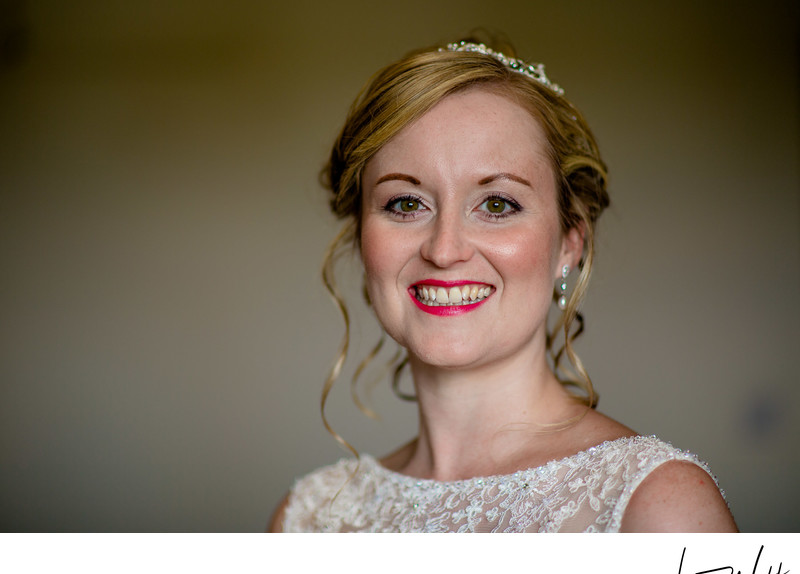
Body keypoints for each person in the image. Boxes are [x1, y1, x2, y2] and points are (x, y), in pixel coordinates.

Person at [269, 38, 738, 533]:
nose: (444, 250)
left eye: (497, 205)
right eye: (406, 204)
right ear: (362, 240)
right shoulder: (308, 518)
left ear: (569, 243)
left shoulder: (660, 505)